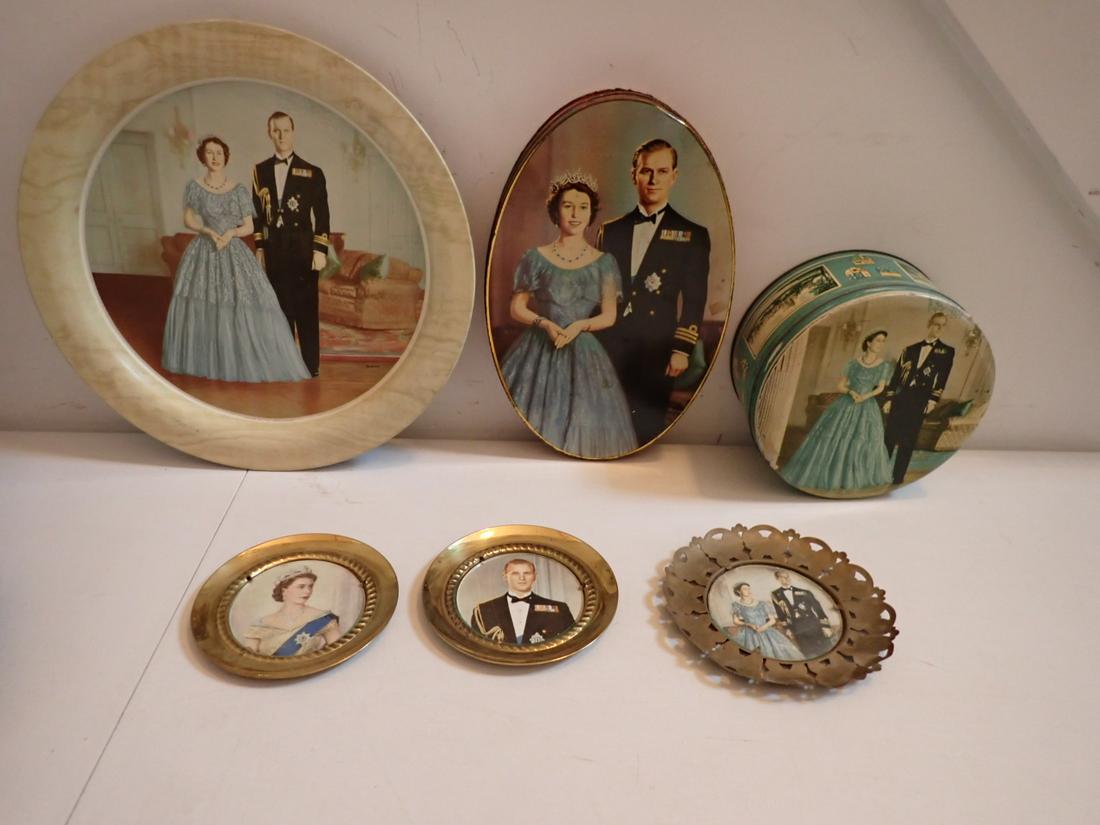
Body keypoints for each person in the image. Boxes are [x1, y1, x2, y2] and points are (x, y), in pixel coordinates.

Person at [498, 171, 637, 458]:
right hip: (537, 349)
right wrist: (545, 323)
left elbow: (609, 316)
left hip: (584, 352)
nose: (575, 214)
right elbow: (516, 307)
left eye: (583, 207)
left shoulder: (604, 263)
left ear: (591, 214)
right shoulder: (534, 258)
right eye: (568, 206)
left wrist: (579, 326)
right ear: (555, 211)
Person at [161, 136, 311, 382]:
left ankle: (245, 359)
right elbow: (188, 219)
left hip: (233, 250)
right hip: (205, 249)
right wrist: (207, 231)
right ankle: (213, 361)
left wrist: (230, 233)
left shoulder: (239, 189)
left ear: (226, 156)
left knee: (243, 301)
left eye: (219, 152)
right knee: (206, 301)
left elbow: (249, 225)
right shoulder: (194, 186)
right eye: (209, 153)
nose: (215, 157)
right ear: (202, 157)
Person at [597, 138, 710, 445]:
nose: (653, 179)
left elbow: (696, 298)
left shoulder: (693, 235)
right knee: (605, 420)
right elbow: (599, 290)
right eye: (646, 171)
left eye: (662, 171)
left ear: (674, 176)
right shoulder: (611, 230)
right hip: (610, 342)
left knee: (647, 423)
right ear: (634, 174)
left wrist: (681, 349)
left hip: (656, 345)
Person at [252, 111, 331, 377]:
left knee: (306, 310)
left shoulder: (313, 172)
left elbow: (322, 215)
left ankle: (311, 367)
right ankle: (285, 364)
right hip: (275, 250)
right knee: (280, 310)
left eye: (286, 130)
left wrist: (320, 249)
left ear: (293, 132)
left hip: (303, 250)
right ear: (269, 133)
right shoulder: (259, 171)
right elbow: (258, 216)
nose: (281, 136)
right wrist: (260, 248)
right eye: (276, 130)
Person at [779, 330, 894, 493]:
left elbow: (880, 388)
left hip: (866, 406)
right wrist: (851, 392)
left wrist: (864, 396)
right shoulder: (853, 363)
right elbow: (840, 385)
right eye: (878, 340)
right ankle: (831, 475)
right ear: (868, 342)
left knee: (860, 440)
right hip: (846, 403)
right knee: (834, 438)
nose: (880, 344)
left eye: (883, 341)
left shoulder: (883, 365)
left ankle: (850, 478)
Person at [883, 312, 956, 484]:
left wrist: (932, 400)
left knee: (908, 440)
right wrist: (889, 398)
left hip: (920, 400)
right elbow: (896, 376)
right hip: (901, 398)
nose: (938, 328)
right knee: (890, 436)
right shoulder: (910, 349)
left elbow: (942, 378)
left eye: (942, 326)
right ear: (929, 324)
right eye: (936, 324)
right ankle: (880, 473)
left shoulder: (946, 352)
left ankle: (897, 478)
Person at [470, 558, 575, 645]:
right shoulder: (483, 610)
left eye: (527, 573)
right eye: (515, 573)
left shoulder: (559, 609)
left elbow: (571, 643)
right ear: (505, 576)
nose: (522, 578)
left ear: (534, 576)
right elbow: (476, 646)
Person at [242, 566, 341, 656]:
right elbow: (249, 659)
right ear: (284, 589)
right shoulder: (260, 624)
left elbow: (337, 653)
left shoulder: (323, 618)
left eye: (310, 586)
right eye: (301, 586)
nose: (308, 591)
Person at [726, 582, 803, 660]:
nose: (748, 591)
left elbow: (772, 620)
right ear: (738, 591)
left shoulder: (762, 603)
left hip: (766, 630)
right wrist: (748, 624)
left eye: (749, 589)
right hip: (750, 633)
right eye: (745, 589)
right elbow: (736, 621)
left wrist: (763, 628)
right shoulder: (736, 605)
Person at [770, 570, 834, 659]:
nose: (786, 579)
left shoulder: (804, 592)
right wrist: (787, 628)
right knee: (808, 653)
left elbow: (818, 609)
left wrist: (825, 626)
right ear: (778, 579)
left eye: (787, 576)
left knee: (825, 649)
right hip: (796, 627)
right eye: (783, 577)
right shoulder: (775, 594)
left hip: (812, 624)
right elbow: (780, 613)